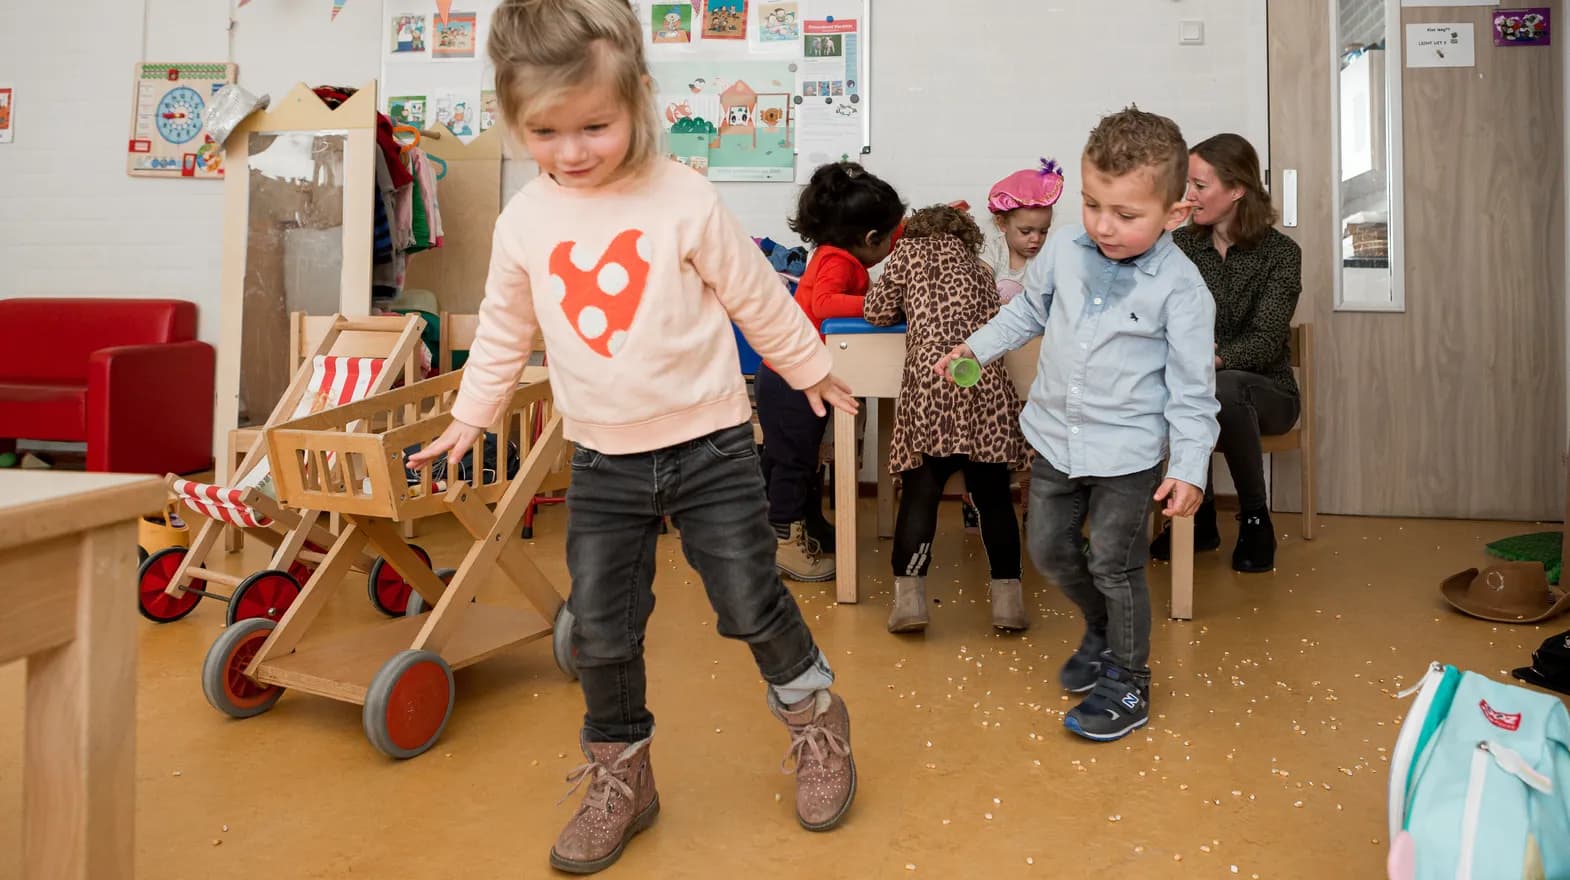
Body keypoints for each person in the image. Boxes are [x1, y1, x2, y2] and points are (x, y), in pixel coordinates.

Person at [410, 1, 860, 870]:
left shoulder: (682, 196)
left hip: (713, 447)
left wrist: (806, 367)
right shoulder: (524, 223)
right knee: (601, 631)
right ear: (514, 122)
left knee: (746, 601)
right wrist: (471, 415)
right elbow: (505, 328)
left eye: (595, 125)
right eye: (545, 131)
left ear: (639, 101)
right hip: (605, 458)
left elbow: (755, 293)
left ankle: (815, 718)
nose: (572, 150)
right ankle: (623, 772)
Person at [937, 106, 1219, 743]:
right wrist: (974, 349)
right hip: (1056, 440)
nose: (1103, 226)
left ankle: (1128, 678)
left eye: (1126, 215)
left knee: (1115, 565)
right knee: (1049, 550)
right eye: (1093, 206)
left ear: (1175, 214)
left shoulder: (1183, 289)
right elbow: (1027, 313)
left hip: (1129, 455)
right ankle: (1101, 626)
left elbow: (1194, 394)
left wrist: (1189, 467)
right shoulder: (1064, 248)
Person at [863, 204, 1029, 634]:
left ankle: (910, 599)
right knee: (992, 497)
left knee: (922, 491)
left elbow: (876, 312)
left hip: (932, 386)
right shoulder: (978, 267)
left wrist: (909, 309)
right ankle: (1009, 603)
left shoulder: (906, 255)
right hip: (984, 384)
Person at [1149, 132, 1302, 573]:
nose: (1189, 195)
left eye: (1200, 185)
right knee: (1182, 386)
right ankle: (1199, 522)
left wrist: (1205, 358)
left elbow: (1266, 340)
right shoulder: (1179, 247)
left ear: (1236, 190)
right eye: (1188, 185)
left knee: (1223, 386)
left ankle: (1255, 517)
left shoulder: (1281, 254)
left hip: (1268, 394)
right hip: (1201, 384)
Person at [755, 161, 904, 582]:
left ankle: (806, 526)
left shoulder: (835, 250)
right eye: (891, 236)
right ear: (871, 238)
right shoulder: (838, 262)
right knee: (792, 463)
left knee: (800, 461)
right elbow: (825, 306)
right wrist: (879, 306)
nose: (895, 240)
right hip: (791, 381)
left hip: (792, 375)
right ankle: (784, 543)